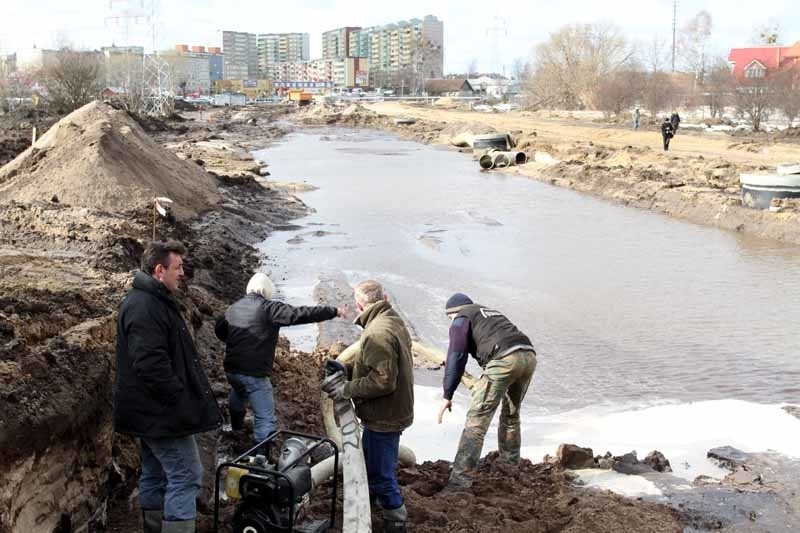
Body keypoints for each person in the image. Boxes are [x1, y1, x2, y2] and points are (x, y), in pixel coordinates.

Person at [115, 241, 222, 533]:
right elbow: (150, 364)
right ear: (159, 270)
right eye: (179, 267)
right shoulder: (145, 307)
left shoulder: (151, 301)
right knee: (187, 475)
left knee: (155, 472)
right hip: (159, 414)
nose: (183, 273)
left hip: (147, 413)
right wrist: (178, 398)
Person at [215, 272, 346, 447]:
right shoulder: (269, 309)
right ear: (267, 291)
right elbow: (300, 314)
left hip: (232, 370)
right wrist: (333, 311)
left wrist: (236, 343)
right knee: (265, 417)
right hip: (254, 373)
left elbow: (220, 329)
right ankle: (260, 456)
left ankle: (236, 428)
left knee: (238, 391)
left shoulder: (233, 309)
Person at [324, 280, 414, 533]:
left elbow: (383, 381)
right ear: (383, 296)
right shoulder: (392, 321)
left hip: (384, 416)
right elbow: (379, 367)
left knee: (381, 475)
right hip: (393, 410)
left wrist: (346, 389)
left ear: (358, 304)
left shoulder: (377, 333)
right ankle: (374, 504)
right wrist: (348, 369)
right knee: (372, 464)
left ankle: (396, 520)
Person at [437, 293, 537, 489]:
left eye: (450, 318)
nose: (451, 322)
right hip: (528, 355)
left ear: (453, 312)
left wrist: (447, 394)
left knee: (476, 423)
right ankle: (510, 468)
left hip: (504, 360)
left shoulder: (461, 318)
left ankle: (459, 481)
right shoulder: (487, 312)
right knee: (511, 415)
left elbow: (456, 356)